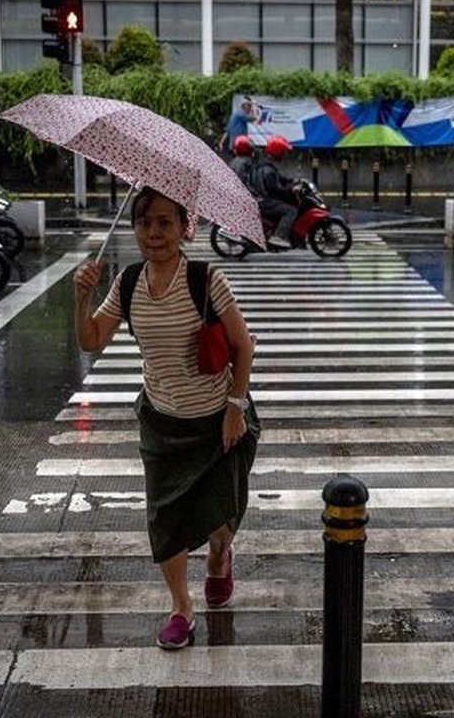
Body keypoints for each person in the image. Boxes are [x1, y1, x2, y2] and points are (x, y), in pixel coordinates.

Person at [72, 186, 259, 651]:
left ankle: (220, 558)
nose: (153, 232)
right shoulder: (128, 282)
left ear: (182, 229)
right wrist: (81, 298)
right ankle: (181, 607)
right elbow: (91, 339)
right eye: (144, 223)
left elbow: (243, 346)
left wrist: (235, 410)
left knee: (221, 517)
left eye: (164, 223)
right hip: (162, 423)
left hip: (218, 421)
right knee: (166, 518)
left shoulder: (205, 279)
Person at [253, 135, 298, 250]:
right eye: (283, 151)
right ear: (278, 152)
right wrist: (290, 189)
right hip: (266, 201)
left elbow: (280, 178)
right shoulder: (268, 170)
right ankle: (278, 236)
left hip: (262, 199)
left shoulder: (267, 165)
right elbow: (275, 189)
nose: (285, 154)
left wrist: (293, 181)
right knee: (291, 211)